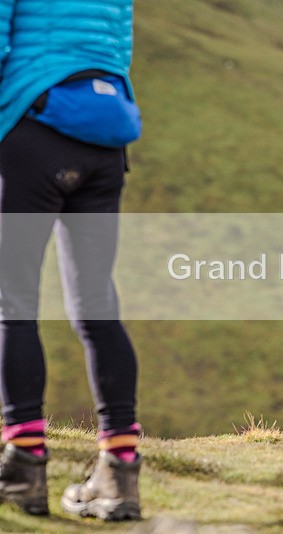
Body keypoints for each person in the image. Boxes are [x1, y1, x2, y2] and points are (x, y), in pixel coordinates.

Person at [0, 0, 143, 520]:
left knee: (12, 300)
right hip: (105, 134)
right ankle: (120, 472)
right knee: (96, 304)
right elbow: (117, 51)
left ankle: (24, 464)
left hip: (33, 125)